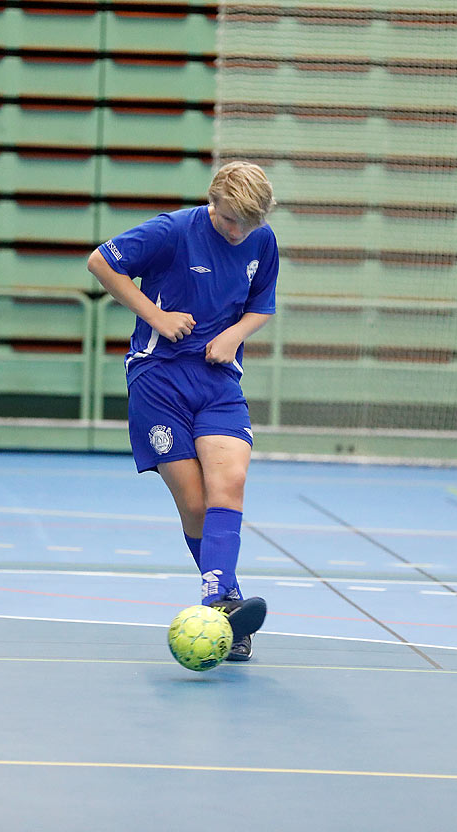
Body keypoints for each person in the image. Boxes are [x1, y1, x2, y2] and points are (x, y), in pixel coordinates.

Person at [87, 161, 279, 661]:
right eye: (233, 220)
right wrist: (156, 315)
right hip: (160, 380)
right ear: (213, 203)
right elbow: (101, 263)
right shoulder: (172, 231)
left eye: (251, 223)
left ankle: (217, 603)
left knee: (229, 484)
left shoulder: (260, 239)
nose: (241, 233)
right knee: (195, 506)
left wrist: (233, 336)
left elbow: (261, 305)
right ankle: (228, 599)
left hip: (218, 382)